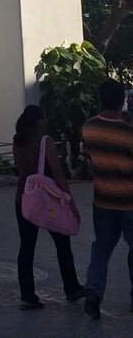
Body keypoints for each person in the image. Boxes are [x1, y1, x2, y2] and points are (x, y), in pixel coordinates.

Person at [12, 104, 83, 309]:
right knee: (62, 244)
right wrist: (70, 200)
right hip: (48, 200)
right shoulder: (46, 141)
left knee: (26, 246)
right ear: (40, 121)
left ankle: (27, 295)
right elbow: (58, 173)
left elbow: (20, 168)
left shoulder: (18, 142)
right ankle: (72, 288)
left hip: (23, 197)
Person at [81, 78, 133, 320]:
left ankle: (93, 292)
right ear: (123, 100)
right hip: (129, 202)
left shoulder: (89, 127)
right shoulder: (129, 132)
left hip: (102, 200)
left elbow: (89, 155)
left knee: (101, 249)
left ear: (101, 99)